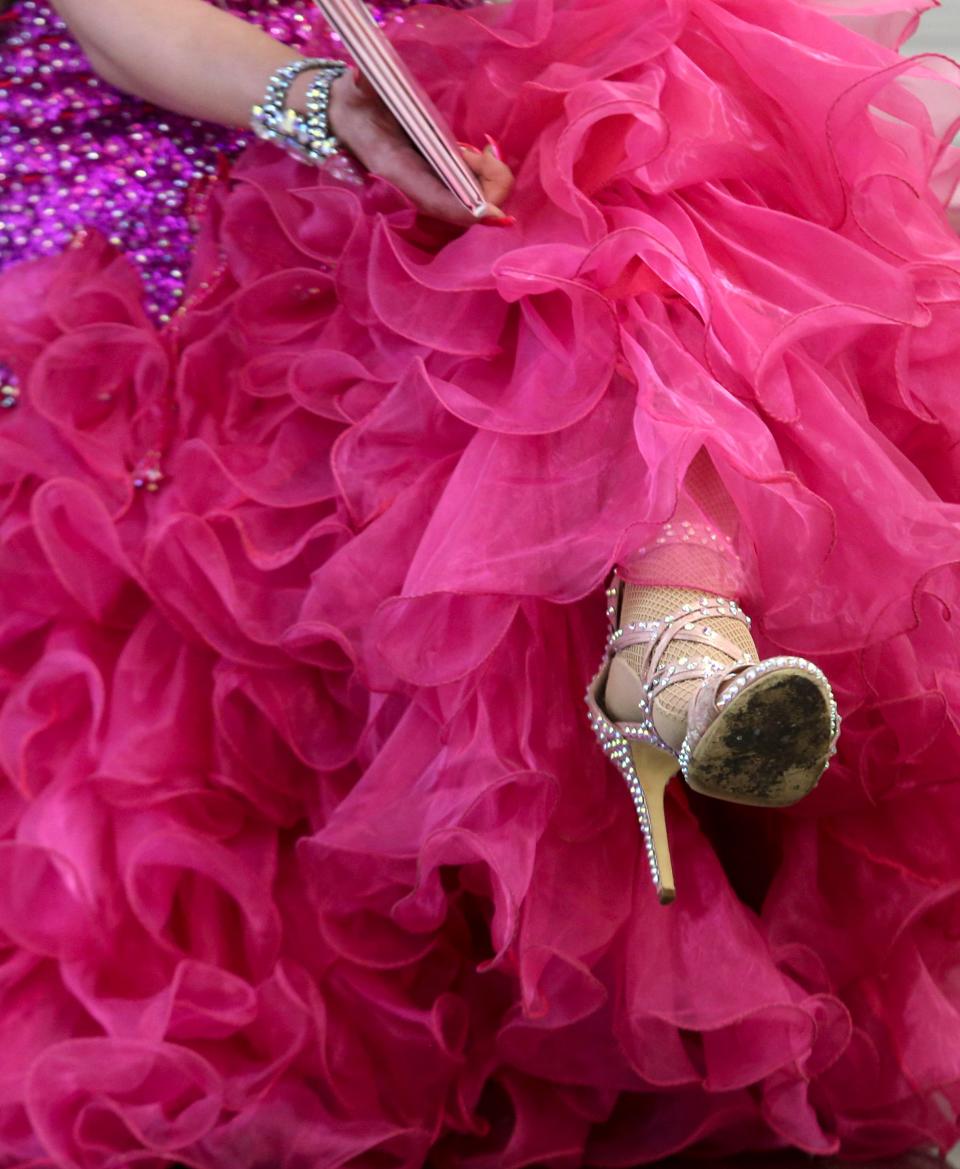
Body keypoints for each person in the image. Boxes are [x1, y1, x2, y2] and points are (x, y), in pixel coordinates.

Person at [0, 0, 958, 1164]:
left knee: (642, 85)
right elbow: (122, 23)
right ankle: (669, 650)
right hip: (160, 224)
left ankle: (673, 623)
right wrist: (331, 110)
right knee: (584, 151)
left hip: (438, 156)